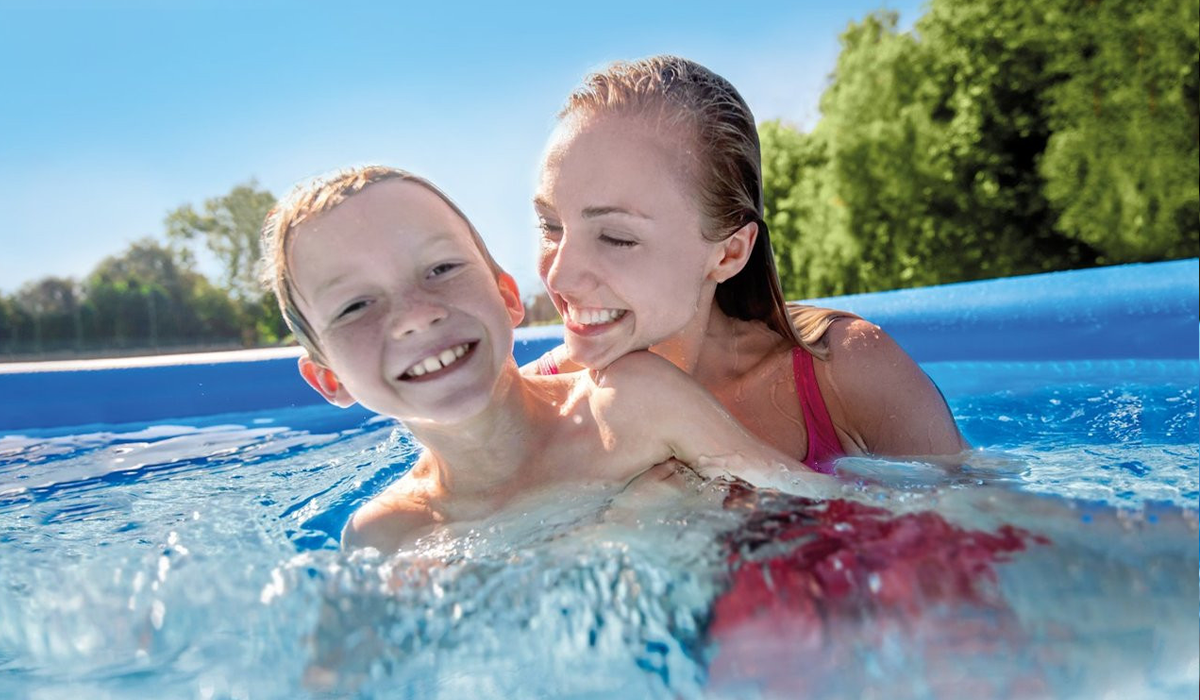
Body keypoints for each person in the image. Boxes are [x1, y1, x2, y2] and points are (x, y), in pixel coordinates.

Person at [258, 165, 830, 554]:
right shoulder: (387, 535)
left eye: (441, 270)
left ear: (509, 297)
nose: (415, 315)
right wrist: (613, 534)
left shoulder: (630, 404)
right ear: (329, 379)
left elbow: (822, 506)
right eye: (356, 305)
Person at [529, 55, 967, 471]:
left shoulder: (845, 376)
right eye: (550, 226)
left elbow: (984, 524)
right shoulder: (530, 404)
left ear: (730, 252)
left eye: (616, 237)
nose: (559, 276)